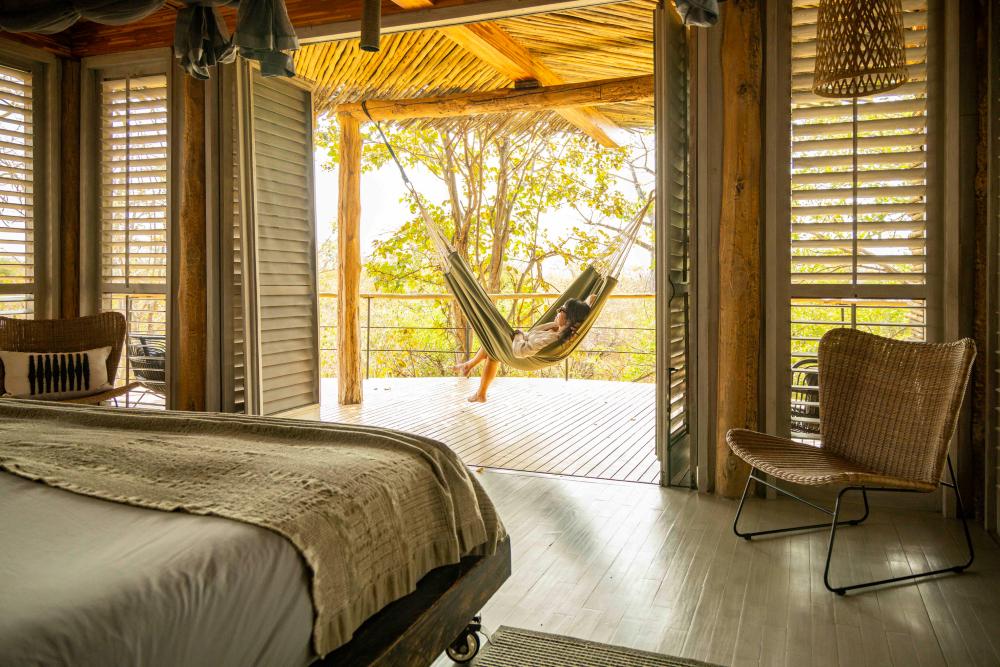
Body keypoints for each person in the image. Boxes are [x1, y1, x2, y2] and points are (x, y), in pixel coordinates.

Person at [455, 294, 597, 403]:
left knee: (492, 342)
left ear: (569, 318)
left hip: (522, 356)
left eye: (562, 310)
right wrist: (589, 300)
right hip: (524, 347)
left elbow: (520, 351)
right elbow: (589, 302)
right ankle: (478, 388)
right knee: (492, 348)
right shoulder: (559, 329)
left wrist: (519, 335)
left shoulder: (551, 338)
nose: (557, 311)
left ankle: (471, 371)